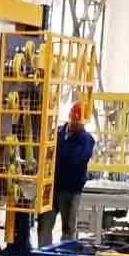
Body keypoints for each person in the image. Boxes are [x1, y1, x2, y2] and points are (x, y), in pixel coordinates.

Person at [38, 103, 95, 247]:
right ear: (69, 117)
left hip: (71, 191)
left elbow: (79, 159)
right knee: (44, 226)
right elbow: (45, 154)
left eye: (79, 122)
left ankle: (65, 255)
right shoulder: (56, 134)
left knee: (68, 229)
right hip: (51, 188)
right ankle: (43, 255)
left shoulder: (87, 140)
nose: (76, 125)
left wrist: (59, 154)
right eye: (74, 121)